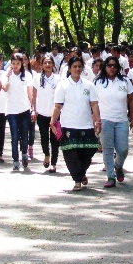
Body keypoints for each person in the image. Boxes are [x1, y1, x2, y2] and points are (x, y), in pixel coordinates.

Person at [50, 57, 102, 191]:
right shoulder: (63, 85)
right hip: (68, 125)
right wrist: (53, 122)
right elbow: (58, 106)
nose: (77, 69)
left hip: (86, 125)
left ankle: (81, 172)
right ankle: (77, 180)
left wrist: (98, 120)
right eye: (74, 66)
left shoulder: (89, 85)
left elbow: (94, 104)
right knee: (71, 154)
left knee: (88, 151)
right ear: (69, 68)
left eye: (79, 66)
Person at [94, 56, 133, 188]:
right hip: (105, 119)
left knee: (123, 149)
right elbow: (93, 102)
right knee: (107, 149)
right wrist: (96, 120)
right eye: (109, 65)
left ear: (118, 67)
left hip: (121, 120)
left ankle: (118, 165)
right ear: (105, 67)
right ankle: (111, 176)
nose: (112, 68)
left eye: (114, 65)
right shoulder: (98, 82)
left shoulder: (124, 81)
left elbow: (132, 100)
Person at [3, 52, 35, 171]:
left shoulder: (27, 75)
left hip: (24, 109)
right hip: (12, 111)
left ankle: (24, 153)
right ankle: (15, 160)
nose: (15, 66)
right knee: (14, 136)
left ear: (22, 64)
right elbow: (5, 88)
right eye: (13, 63)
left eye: (18, 63)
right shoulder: (8, 75)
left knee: (24, 135)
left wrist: (33, 108)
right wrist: (7, 76)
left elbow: (30, 93)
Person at [35, 56, 59, 172]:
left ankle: (53, 163)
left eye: (50, 63)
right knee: (44, 137)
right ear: (42, 65)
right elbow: (34, 96)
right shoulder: (37, 78)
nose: (47, 65)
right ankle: (46, 154)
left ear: (53, 64)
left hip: (55, 114)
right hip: (41, 113)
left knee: (55, 140)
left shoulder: (58, 79)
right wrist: (33, 110)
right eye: (45, 63)